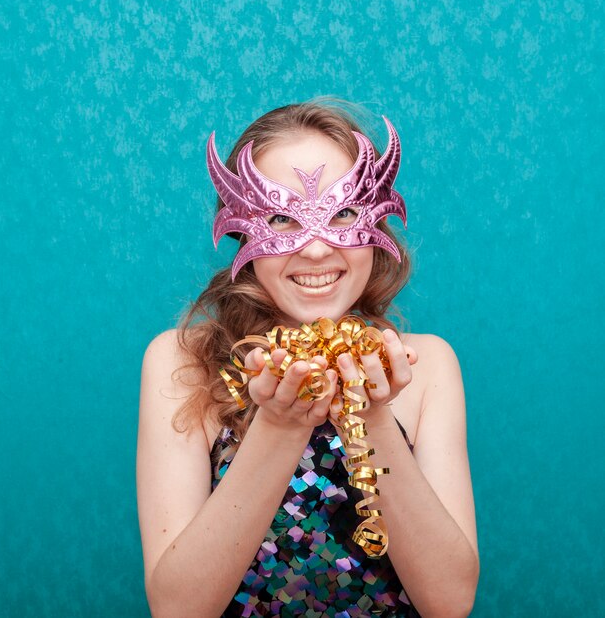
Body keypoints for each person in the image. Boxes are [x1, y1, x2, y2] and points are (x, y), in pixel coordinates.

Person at [136, 99, 479, 618]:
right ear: (240, 228)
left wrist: (371, 416)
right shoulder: (183, 365)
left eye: (342, 212)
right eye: (282, 219)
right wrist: (277, 426)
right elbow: (178, 609)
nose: (317, 250)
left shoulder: (425, 367)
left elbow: (450, 603)